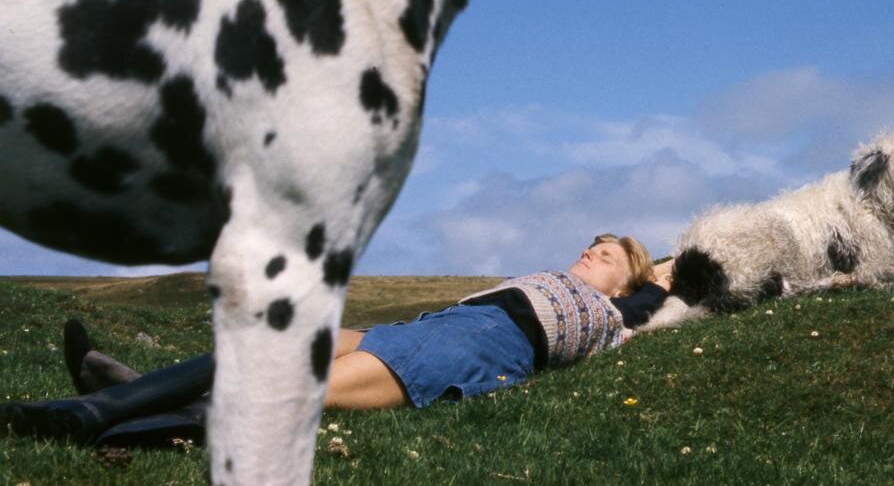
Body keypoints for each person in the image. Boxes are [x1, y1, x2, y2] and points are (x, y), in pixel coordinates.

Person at [0, 234, 673, 448]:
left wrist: (655, 274)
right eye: (592, 243)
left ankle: (100, 415)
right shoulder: (558, 278)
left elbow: (673, 278)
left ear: (627, 285)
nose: (592, 252)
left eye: (608, 255)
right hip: (429, 329)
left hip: (479, 351)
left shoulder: (619, 314)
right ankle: (106, 406)